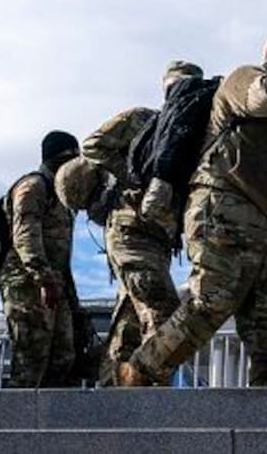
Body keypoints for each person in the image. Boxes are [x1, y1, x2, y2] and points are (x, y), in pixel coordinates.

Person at [119, 26, 267, 386]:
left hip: (266, 226)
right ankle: (139, 371)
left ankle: (266, 419)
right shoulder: (244, 79)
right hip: (222, 211)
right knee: (210, 305)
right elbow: (264, 98)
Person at [82, 61, 202, 386]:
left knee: (129, 325)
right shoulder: (141, 119)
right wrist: (137, 176)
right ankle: (151, 399)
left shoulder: (192, 130)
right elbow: (92, 145)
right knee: (163, 313)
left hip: (160, 238)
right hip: (130, 230)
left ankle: (114, 393)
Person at [0, 130, 80, 388]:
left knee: (63, 358)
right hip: (28, 285)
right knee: (30, 363)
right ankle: (17, 425)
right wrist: (43, 279)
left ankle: (55, 424)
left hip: (55, 285)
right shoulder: (33, 187)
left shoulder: (61, 193)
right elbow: (25, 237)